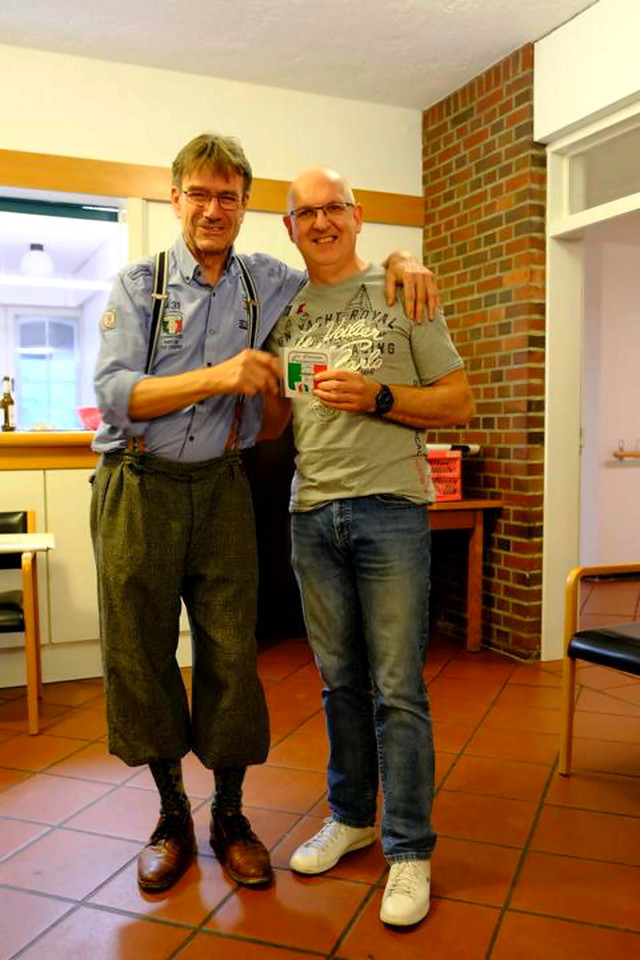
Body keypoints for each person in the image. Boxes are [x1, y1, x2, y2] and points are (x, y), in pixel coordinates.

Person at [90, 132, 441, 894]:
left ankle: (230, 814)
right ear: (176, 198)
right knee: (141, 654)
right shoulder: (139, 284)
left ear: (248, 207)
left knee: (230, 653)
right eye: (199, 194)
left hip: (224, 486)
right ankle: (171, 816)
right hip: (138, 484)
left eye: (229, 196)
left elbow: (336, 259)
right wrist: (218, 376)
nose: (213, 209)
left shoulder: (267, 281)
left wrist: (402, 258)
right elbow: (115, 394)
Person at [264, 167, 474, 925]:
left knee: (398, 688)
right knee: (339, 682)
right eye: (306, 213)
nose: (321, 222)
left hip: (390, 509)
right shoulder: (284, 311)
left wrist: (380, 396)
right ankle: (352, 817)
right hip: (311, 514)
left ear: (357, 216)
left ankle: (410, 850)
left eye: (334, 208)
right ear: (289, 228)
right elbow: (276, 425)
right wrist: (259, 391)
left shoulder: (402, 290)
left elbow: (458, 399)